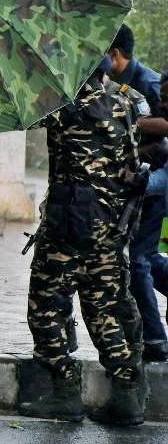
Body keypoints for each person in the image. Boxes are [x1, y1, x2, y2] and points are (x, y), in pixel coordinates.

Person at [19, 54, 148, 426]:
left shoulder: (62, 107)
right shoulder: (126, 103)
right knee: (104, 309)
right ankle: (126, 396)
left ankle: (64, 392)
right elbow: (129, 160)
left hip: (67, 228)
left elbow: (27, 114)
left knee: (46, 304)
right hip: (110, 225)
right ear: (104, 71)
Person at [109, 24, 168, 361]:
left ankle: (155, 341)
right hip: (138, 186)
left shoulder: (146, 82)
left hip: (156, 186)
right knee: (149, 258)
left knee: (139, 260)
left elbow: (163, 131)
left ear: (115, 54)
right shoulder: (119, 83)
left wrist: (126, 119)